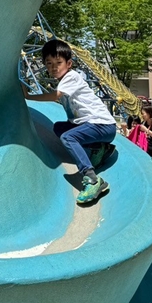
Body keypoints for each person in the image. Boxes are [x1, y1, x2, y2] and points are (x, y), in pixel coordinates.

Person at [22, 39, 116, 205]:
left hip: (102, 125)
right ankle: (99, 148)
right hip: (92, 126)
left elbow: (55, 96)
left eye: (58, 63)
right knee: (59, 128)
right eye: (49, 63)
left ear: (69, 64)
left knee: (68, 137)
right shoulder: (64, 81)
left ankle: (93, 179)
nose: (54, 67)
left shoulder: (72, 77)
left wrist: (29, 96)